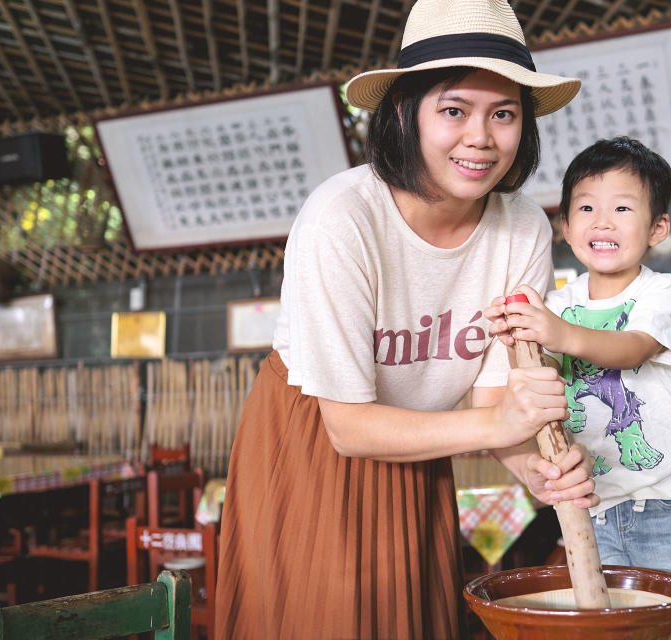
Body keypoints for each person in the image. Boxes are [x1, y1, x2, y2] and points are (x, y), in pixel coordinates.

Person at [215, 0, 602, 637]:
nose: (481, 137)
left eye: (503, 114)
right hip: (312, 442)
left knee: (412, 618)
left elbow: (497, 391)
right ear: (405, 114)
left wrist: (531, 467)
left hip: (420, 451)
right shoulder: (342, 218)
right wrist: (499, 425)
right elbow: (348, 427)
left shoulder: (523, 227)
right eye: (454, 110)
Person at [485, 136, 671, 640]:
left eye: (622, 207)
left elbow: (633, 348)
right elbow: (537, 373)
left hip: (666, 500)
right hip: (590, 503)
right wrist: (518, 337)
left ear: (658, 227)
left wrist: (558, 332)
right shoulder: (555, 302)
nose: (603, 221)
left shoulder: (661, 291)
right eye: (587, 208)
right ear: (566, 228)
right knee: (608, 628)